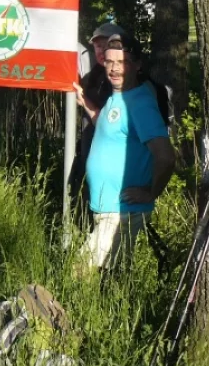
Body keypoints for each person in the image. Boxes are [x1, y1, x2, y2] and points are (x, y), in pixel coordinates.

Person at [73, 34, 176, 271]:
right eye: (109, 62)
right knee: (108, 277)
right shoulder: (118, 97)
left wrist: (151, 193)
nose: (114, 69)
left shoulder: (140, 104)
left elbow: (166, 156)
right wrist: (86, 104)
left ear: (138, 64)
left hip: (122, 211)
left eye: (122, 62)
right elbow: (109, 124)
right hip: (108, 207)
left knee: (79, 272)